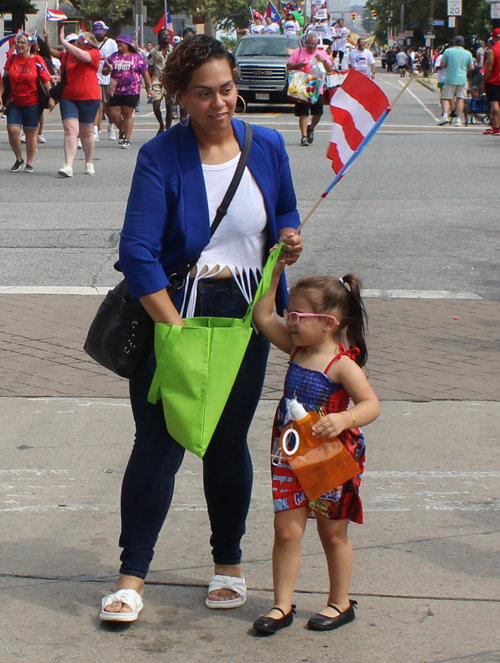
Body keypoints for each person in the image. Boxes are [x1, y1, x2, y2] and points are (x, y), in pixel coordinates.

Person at [99, 34, 303, 623]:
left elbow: (283, 211)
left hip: (246, 317)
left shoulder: (265, 145)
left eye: (228, 89)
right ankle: (131, 576)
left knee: (225, 442)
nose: (221, 103)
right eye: (205, 93)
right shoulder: (160, 155)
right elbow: (137, 251)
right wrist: (175, 328)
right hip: (175, 312)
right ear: (181, 97)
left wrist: (289, 239)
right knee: (158, 445)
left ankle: (228, 565)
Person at [251, 265, 380, 635]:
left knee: (332, 533)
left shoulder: (343, 365)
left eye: (297, 316)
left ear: (329, 322)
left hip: (330, 461)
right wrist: (274, 272)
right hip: (290, 454)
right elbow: (263, 316)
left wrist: (345, 420)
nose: (289, 322)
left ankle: (340, 603)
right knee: (286, 530)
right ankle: (281, 604)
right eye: (289, 313)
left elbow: (371, 405)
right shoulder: (296, 346)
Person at [0, 33, 54, 173]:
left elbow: (46, 81)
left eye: (23, 43)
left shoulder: (38, 60)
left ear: (30, 45)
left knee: (30, 132)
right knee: (12, 130)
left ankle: (30, 161)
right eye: (18, 42)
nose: (20, 45)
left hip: (32, 102)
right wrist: (0, 95)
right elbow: (4, 80)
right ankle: (19, 158)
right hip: (14, 101)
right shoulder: (12, 59)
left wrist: (51, 98)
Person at [56, 27, 101, 177]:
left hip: (89, 97)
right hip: (69, 96)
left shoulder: (94, 53)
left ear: (89, 43)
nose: (77, 43)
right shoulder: (69, 54)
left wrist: (63, 42)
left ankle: (89, 161)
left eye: (81, 40)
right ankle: (68, 165)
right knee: (70, 130)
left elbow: (83, 56)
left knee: (86, 132)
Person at [103, 35, 152, 149]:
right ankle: (123, 130)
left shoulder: (137, 57)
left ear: (128, 45)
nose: (119, 45)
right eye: (118, 43)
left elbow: (145, 73)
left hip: (132, 90)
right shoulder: (114, 56)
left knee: (127, 114)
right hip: (116, 89)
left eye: (122, 43)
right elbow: (104, 72)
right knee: (113, 114)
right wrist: (108, 69)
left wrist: (149, 87)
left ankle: (126, 139)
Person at [287, 32, 332, 146]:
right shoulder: (299, 51)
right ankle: (304, 136)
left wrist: (324, 60)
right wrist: (299, 65)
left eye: (314, 44)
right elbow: (288, 66)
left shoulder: (321, 53)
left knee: (318, 113)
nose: (312, 47)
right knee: (303, 113)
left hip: (317, 87)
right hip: (303, 86)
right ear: (306, 43)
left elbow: (329, 69)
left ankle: (311, 128)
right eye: (310, 44)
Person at [437, 36, 474, 127]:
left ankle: (445, 115)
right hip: (462, 79)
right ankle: (458, 119)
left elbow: (443, 64)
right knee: (460, 99)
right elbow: (472, 67)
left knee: (446, 97)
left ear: (454, 42)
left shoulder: (448, 51)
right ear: (463, 43)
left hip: (450, 78)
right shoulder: (468, 53)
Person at [92, 21, 118, 142]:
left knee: (109, 106)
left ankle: (111, 127)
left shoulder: (111, 43)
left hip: (108, 77)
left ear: (105, 31)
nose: (98, 35)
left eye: (100, 32)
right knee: (97, 105)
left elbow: (116, 58)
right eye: (96, 32)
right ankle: (95, 130)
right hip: (94, 76)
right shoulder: (91, 42)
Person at [148, 29, 172, 134]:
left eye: (168, 35)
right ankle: (161, 125)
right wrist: (148, 84)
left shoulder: (174, 50)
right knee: (156, 105)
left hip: (170, 81)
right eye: (163, 35)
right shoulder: (153, 52)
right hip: (157, 80)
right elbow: (149, 67)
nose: (166, 36)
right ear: (159, 37)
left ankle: (168, 129)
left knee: (169, 105)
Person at [480, 28, 500, 136]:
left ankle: (496, 127)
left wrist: (483, 82)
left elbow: (489, 68)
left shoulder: (492, 50)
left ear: (493, 37)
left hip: (495, 80)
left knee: (494, 103)